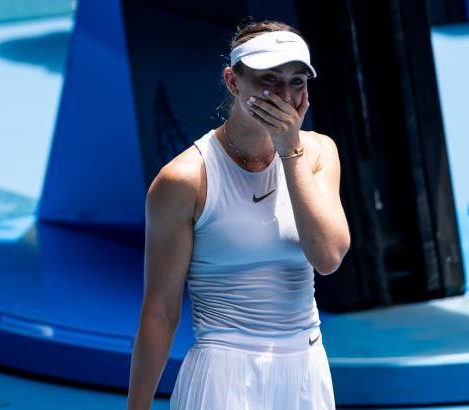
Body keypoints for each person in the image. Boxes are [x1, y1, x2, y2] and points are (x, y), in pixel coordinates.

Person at [126, 20, 351, 410]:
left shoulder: (318, 154)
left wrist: (289, 150)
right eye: (269, 79)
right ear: (233, 81)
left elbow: (328, 257)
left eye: (297, 81)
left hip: (307, 372)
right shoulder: (183, 180)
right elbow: (160, 310)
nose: (284, 95)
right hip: (222, 377)